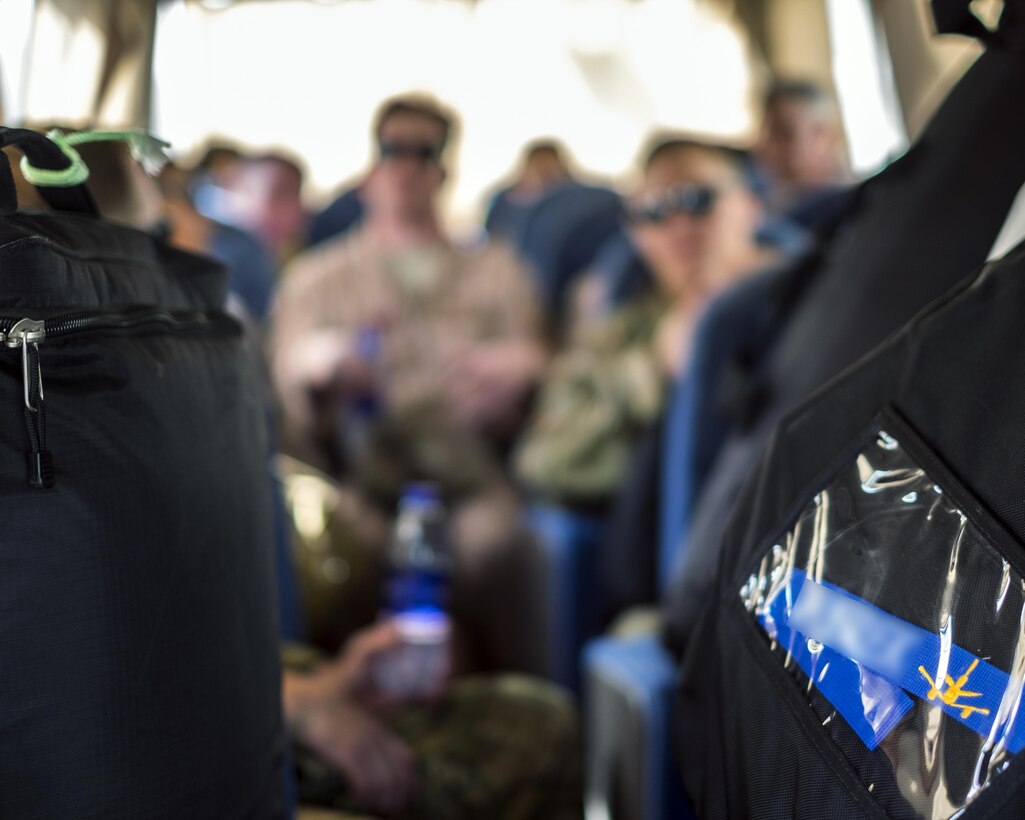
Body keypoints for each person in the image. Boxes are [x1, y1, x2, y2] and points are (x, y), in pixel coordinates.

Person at [270, 94, 549, 674]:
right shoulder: (321, 277)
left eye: (423, 153)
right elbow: (292, 363)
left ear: (444, 170)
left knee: (504, 550)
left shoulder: (497, 273)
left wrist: (520, 367)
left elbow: (538, 360)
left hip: (470, 482)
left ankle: (521, 710)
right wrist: (324, 362)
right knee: (337, 560)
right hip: (362, 483)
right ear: (371, 166)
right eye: (392, 150)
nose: (406, 166)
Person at [515, 137, 772, 507]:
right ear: (636, 233)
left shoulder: (814, 291)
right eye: (652, 212)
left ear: (750, 206)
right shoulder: (619, 336)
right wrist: (654, 368)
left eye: (698, 200)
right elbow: (542, 463)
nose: (680, 225)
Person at [757, 78, 853, 232]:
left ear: (824, 137)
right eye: (766, 133)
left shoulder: (846, 211)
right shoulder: (768, 202)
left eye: (784, 134)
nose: (768, 146)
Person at [484, 139, 575, 243]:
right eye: (539, 169)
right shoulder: (504, 202)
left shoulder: (577, 203)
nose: (544, 176)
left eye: (550, 171)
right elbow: (493, 240)